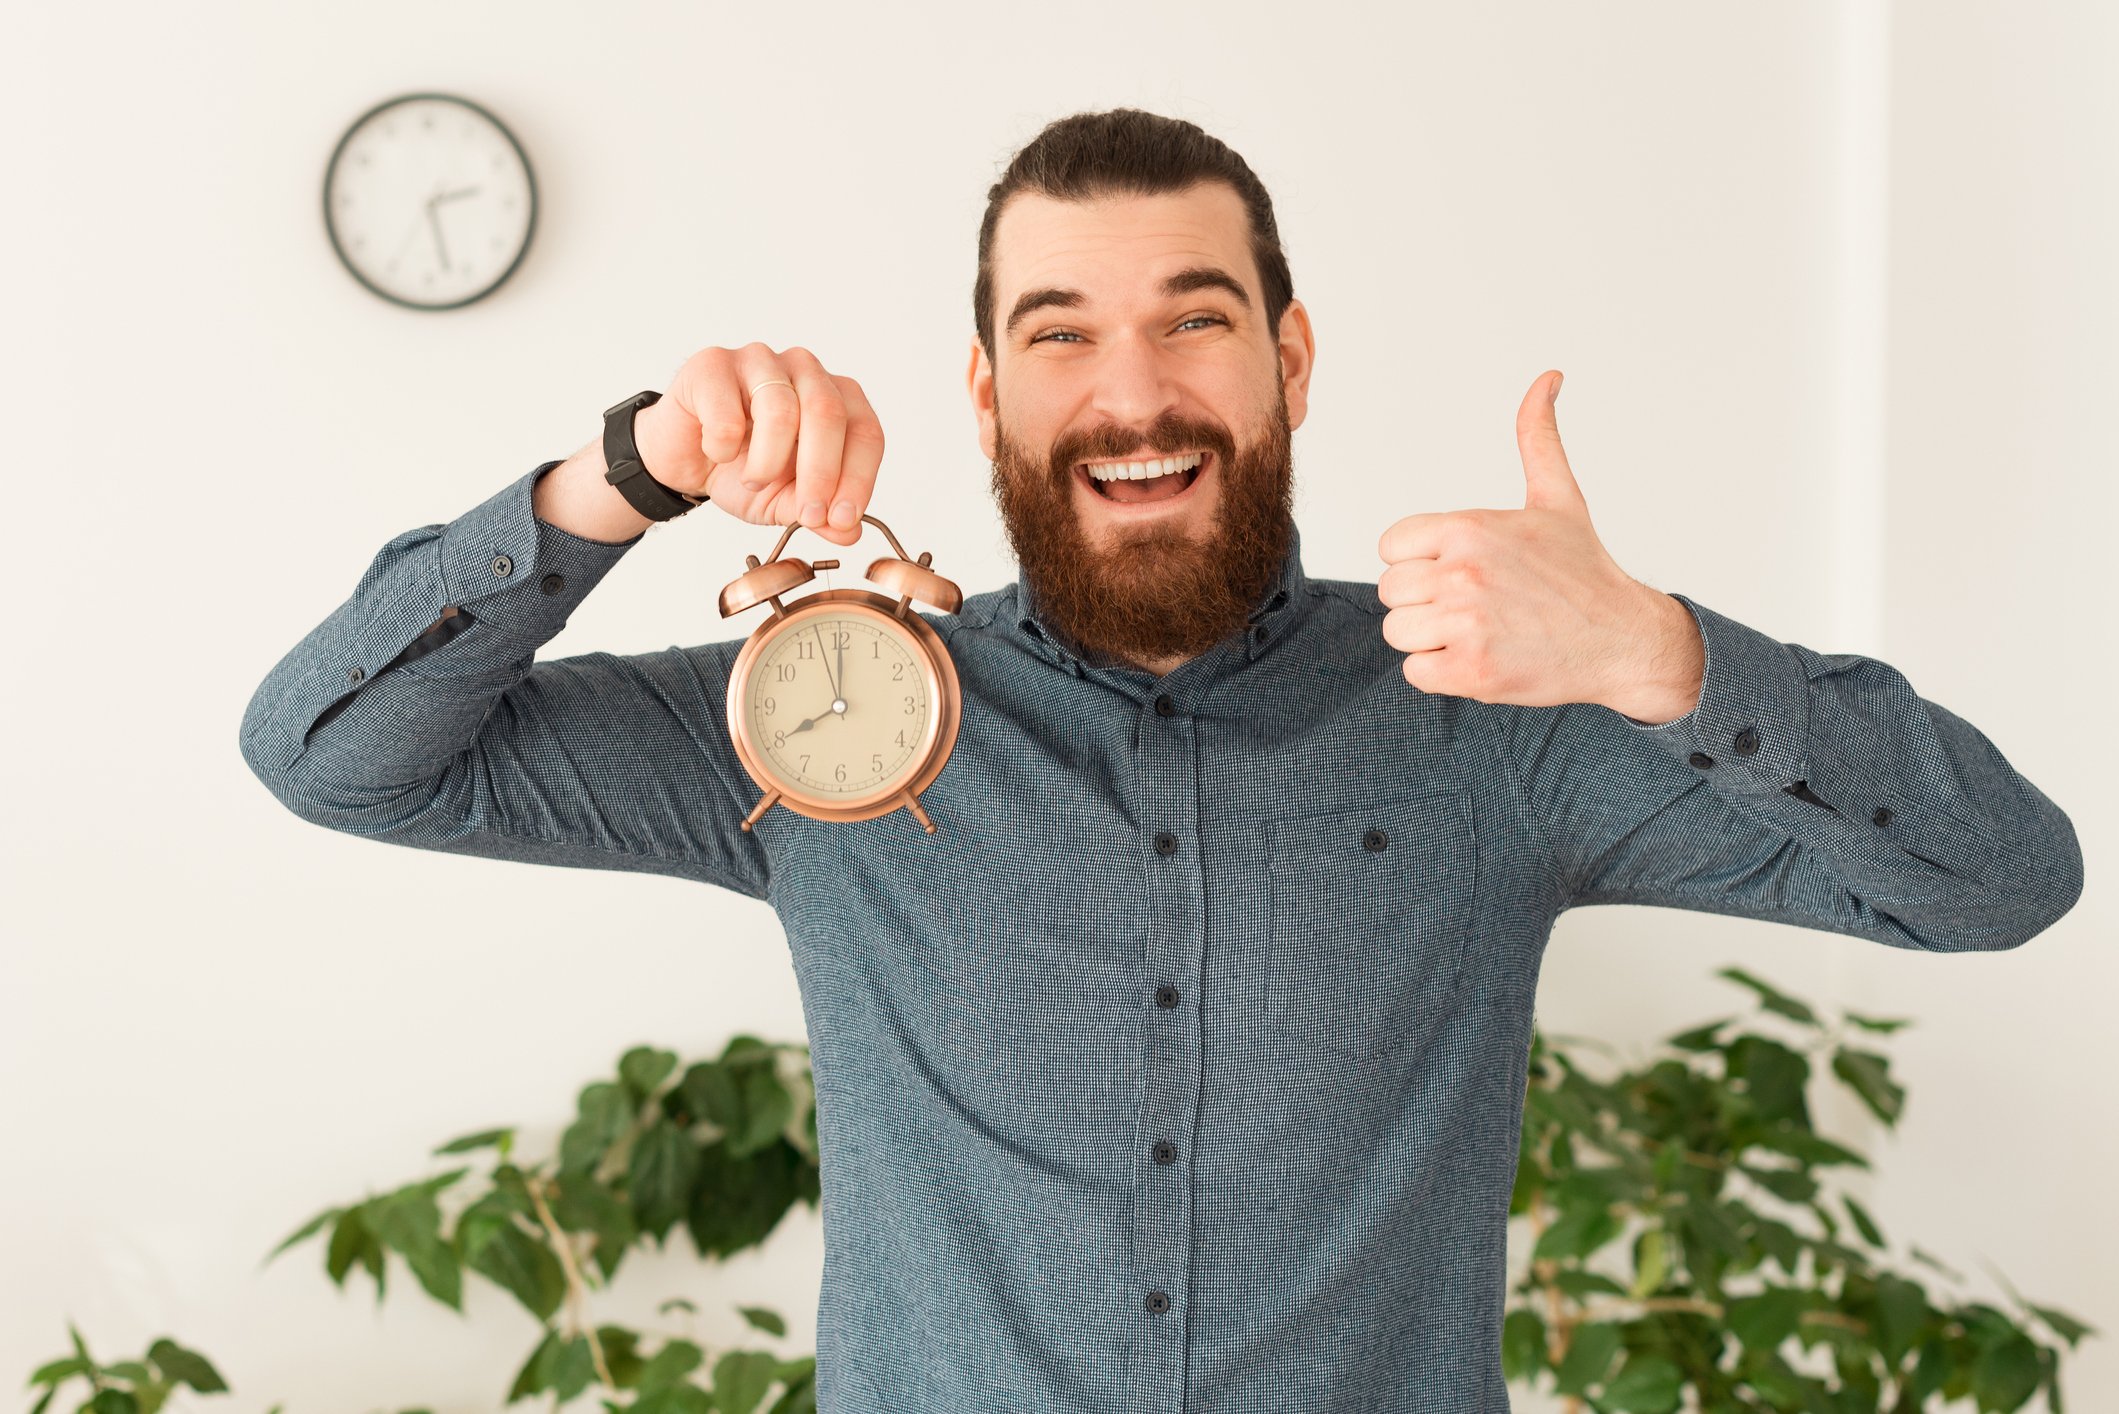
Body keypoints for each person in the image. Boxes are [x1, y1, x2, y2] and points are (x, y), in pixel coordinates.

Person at [240, 108, 2083, 1413]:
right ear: (986, 393)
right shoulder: (818, 715)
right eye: (1060, 334)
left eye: (1195, 318)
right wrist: (617, 475)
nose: (1132, 391)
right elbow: (334, 753)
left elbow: (2005, 879)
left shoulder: (1505, 706)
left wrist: (1662, 652)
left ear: (1286, 357)